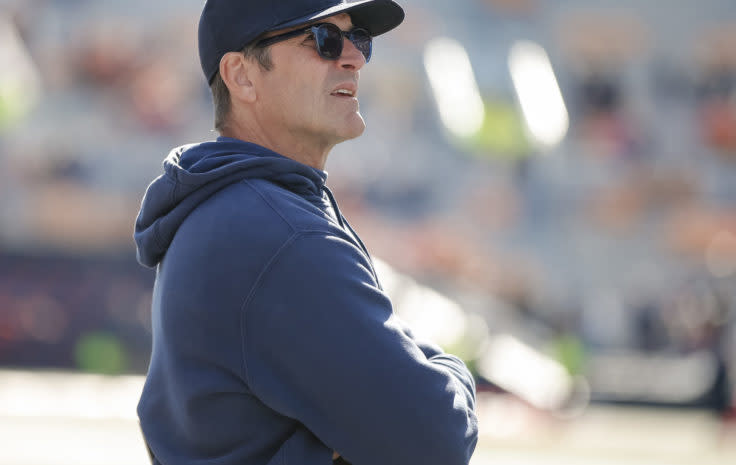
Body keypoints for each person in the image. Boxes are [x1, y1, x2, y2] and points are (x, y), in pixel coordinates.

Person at [133, 1, 479, 464]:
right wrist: (453, 371)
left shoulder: (230, 206)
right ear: (241, 76)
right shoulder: (280, 235)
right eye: (323, 39)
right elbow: (439, 436)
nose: (353, 57)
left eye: (358, 39)